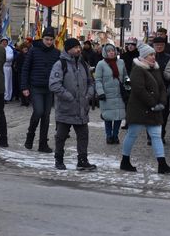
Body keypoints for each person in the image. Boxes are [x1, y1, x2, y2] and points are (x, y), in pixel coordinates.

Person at [120, 42, 170, 174]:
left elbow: (162, 87)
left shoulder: (155, 68)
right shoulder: (138, 69)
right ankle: (125, 161)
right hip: (139, 109)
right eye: (150, 55)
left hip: (154, 110)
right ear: (144, 56)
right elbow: (139, 90)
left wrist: (162, 102)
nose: (153, 57)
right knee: (132, 134)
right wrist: (153, 104)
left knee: (156, 136)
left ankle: (162, 164)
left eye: (154, 54)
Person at [49, 38, 97, 171]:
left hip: (81, 108)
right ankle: (59, 159)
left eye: (79, 47)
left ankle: (82, 160)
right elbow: (54, 85)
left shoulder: (83, 63)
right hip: (66, 108)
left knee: (83, 136)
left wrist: (89, 95)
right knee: (61, 136)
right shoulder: (60, 64)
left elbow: (91, 82)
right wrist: (69, 97)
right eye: (75, 47)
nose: (78, 49)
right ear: (68, 49)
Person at [21, 27, 60, 152]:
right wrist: (24, 87)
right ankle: (30, 136)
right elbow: (25, 69)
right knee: (38, 112)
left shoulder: (56, 53)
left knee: (46, 116)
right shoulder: (33, 50)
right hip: (35, 87)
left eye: (51, 40)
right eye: (47, 39)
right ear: (42, 38)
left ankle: (43, 143)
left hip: (49, 89)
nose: (49, 42)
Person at [95, 43, 128, 144]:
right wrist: (100, 92)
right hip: (107, 95)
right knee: (108, 117)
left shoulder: (121, 62)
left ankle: (115, 135)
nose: (111, 53)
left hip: (119, 94)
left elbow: (125, 76)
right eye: (109, 51)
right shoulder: (101, 64)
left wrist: (128, 84)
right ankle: (109, 136)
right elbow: (98, 80)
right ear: (105, 52)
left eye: (113, 50)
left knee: (118, 116)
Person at [152, 36, 170, 142]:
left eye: (161, 45)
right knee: (151, 113)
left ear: (164, 46)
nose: (159, 47)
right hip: (151, 90)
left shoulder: (169, 58)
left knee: (164, 114)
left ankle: (161, 134)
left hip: (165, 90)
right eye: (157, 45)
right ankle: (150, 136)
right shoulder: (149, 57)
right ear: (153, 46)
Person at [0, 37, 14, 103]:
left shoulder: (9, 49)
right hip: (0, 67)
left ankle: (7, 97)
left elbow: (9, 58)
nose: (4, 43)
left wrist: (2, 57)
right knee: (0, 82)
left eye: (5, 42)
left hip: (7, 68)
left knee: (7, 83)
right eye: (3, 42)